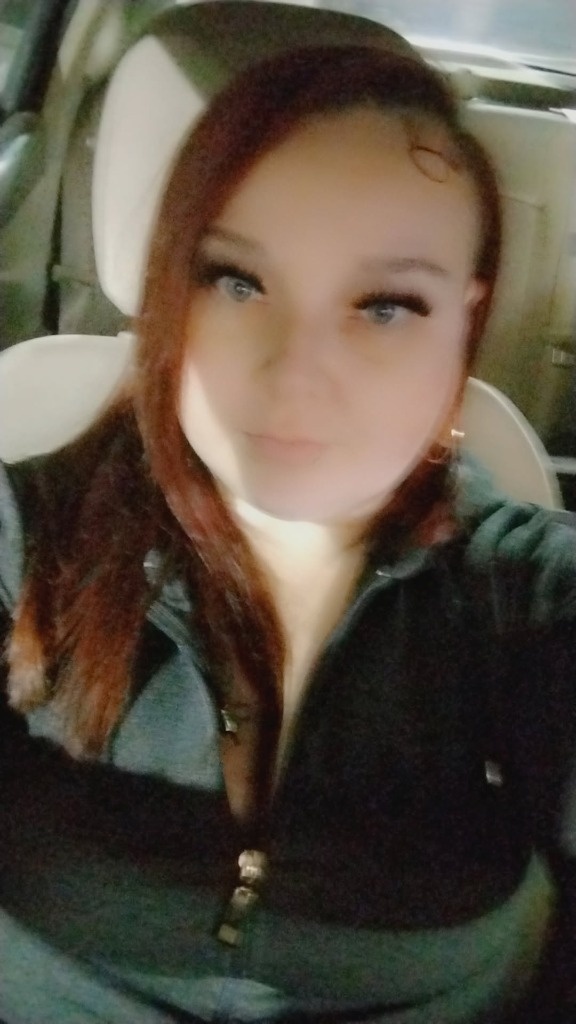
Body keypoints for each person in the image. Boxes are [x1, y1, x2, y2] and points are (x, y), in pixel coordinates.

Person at [0, 39, 575, 1024]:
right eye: (237, 281)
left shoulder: (523, 594)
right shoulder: (25, 533)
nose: (296, 374)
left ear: (463, 323)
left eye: (385, 305)